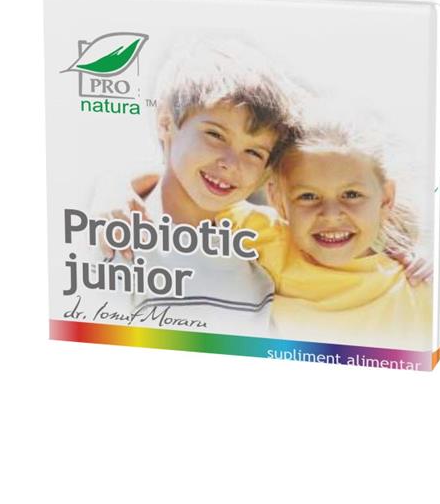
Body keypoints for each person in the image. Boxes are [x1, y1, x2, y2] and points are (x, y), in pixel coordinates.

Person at [91, 38, 300, 335]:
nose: (231, 163)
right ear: (166, 122)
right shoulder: (119, 236)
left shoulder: (263, 253)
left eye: (254, 152)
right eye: (215, 135)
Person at [224, 107, 433, 350]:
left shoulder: (415, 290)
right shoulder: (268, 239)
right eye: (308, 196)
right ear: (278, 200)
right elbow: (192, 190)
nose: (331, 215)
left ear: (386, 199)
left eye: (351, 194)